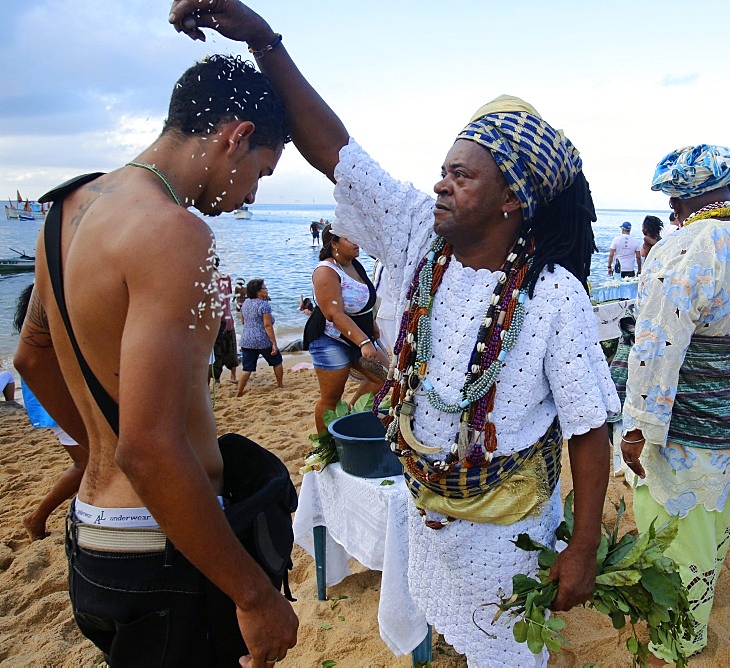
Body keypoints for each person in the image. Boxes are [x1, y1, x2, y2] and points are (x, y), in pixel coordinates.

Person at [170, 4, 619, 666]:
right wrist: (266, 42)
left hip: (506, 531)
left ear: (510, 200)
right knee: (441, 627)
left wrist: (581, 546)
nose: (440, 182)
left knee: (504, 651)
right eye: (443, 168)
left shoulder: (554, 296)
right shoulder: (418, 236)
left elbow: (588, 427)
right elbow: (337, 153)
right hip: (424, 511)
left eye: (461, 175)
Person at [13, 52, 298, 665]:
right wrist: (252, 595)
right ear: (237, 137)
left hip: (94, 540)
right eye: (261, 174)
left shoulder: (64, 212)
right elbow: (148, 448)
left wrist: (98, 455)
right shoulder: (174, 232)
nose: (250, 194)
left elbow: (31, 360)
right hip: (163, 554)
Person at [620, 145, 730, 661]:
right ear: (729, 186)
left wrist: (639, 430)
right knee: (715, 523)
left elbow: (656, 351)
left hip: (686, 428)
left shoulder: (682, 251)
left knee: (675, 533)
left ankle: (675, 639)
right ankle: (691, 619)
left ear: (675, 197)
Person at [13, 283, 89, 540]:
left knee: (92, 460)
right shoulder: (49, 341)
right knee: (87, 461)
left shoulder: (45, 338)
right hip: (56, 401)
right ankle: (36, 517)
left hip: (55, 399)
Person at [306, 226, 389, 436]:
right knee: (331, 398)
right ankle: (326, 445)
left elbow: (365, 301)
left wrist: (372, 325)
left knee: (386, 378)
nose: (356, 242)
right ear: (334, 243)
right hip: (330, 339)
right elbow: (334, 313)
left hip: (359, 336)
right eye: (349, 238)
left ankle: (349, 418)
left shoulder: (354, 265)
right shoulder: (326, 271)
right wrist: (364, 342)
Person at [237, 278, 284, 397]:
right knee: (277, 361)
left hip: (247, 339)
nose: (267, 290)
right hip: (262, 339)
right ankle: (280, 385)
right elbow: (267, 325)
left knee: (247, 368)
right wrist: (274, 343)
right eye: (265, 288)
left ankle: (239, 392)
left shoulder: (245, 303)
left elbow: (243, 321)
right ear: (258, 292)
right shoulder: (263, 305)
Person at [213, 258, 240, 383]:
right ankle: (233, 376)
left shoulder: (207, 282)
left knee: (217, 351)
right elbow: (228, 295)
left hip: (215, 322)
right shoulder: (226, 279)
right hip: (228, 319)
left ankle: (217, 379)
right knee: (231, 348)